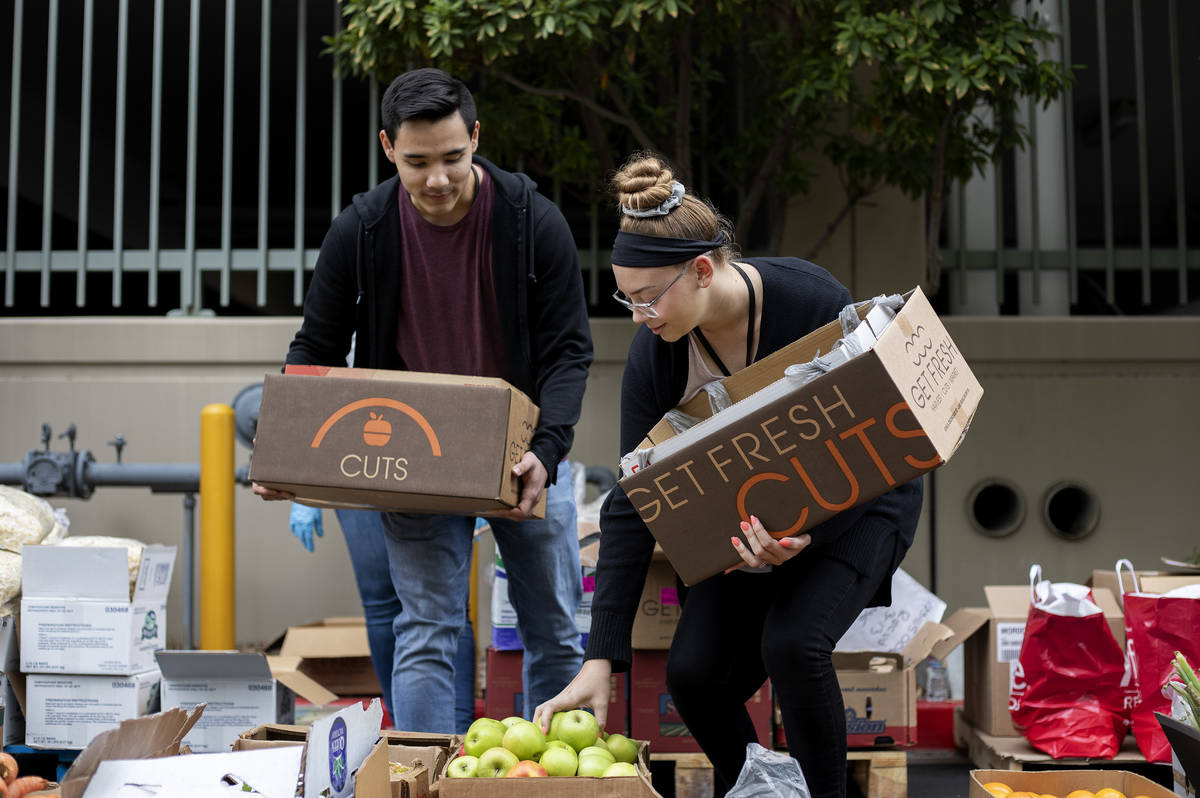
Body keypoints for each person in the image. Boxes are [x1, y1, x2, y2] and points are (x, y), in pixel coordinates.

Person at [532, 154, 923, 798]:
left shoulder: (808, 299)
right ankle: (769, 789)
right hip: (745, 526)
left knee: (794, 646)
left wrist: (809, 539)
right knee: (693, 675)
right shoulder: (655, 357)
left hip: (860, 504)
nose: (638, 315)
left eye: (647, 298)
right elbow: (635, 502)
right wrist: (602, 656)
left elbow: (873, 435)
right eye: (623, 297)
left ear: (703, 270)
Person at [253, 67, 593, 735]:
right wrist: (284, 451)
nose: (437, 179)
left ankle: (550, 776)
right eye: (416, 162)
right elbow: (317, 344)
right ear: (387, 148)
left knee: (552, 628)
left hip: (521, 450)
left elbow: (568, 353)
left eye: (452, 158)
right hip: (412, 451)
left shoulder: (532, 222)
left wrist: (548, 453)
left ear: (475, 137)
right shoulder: (364, 229)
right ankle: (422, 773)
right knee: (427, 629)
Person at [287, 504, 478, 732]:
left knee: (443, 608)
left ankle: (457, 734)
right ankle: (411, 730)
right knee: (391, 602)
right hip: (358, 475)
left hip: (435, 478)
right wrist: (304, 494)